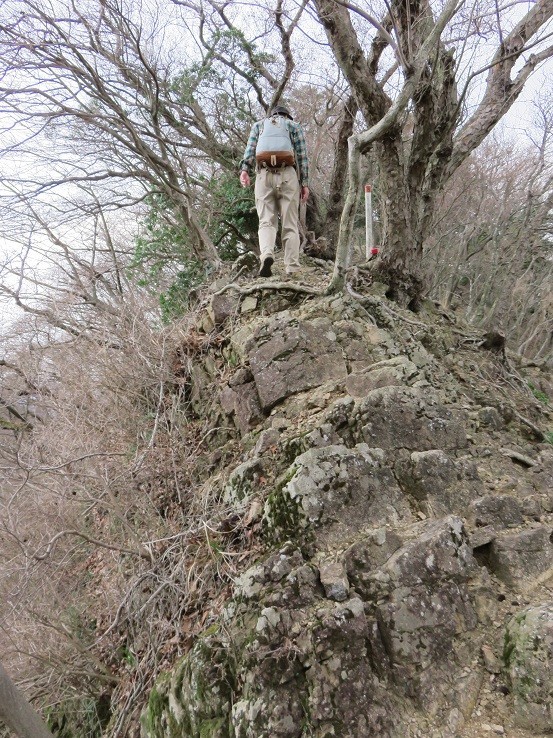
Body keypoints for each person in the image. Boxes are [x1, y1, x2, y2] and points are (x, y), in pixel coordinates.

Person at [239, 105, 310, 278]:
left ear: (272, 116)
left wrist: (244, 171)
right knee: (290, 224)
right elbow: (302, 156)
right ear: (287, 116)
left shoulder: (259, 125)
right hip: (288, 175)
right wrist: (305, 184)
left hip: (264, 176)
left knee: (266, 221)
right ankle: (292, 267)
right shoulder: (294, 126)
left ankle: (267, 254)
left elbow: (249, 151)